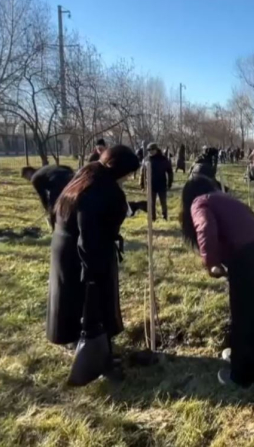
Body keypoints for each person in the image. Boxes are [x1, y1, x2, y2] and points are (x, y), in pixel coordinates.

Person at [48, 145, 140, 386]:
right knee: (92, 303)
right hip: (84, 251)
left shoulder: (87, 174)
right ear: (119, 169)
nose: (128, 178)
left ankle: (98, 351)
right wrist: (91, 271)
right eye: (128, 173)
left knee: (81, 302)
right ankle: (95, 358)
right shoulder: (100, 189)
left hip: (66, 246)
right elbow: (89, 235)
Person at [180, 176, 254, 387]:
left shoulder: (200, 202)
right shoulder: (228, 199)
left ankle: (241, 376)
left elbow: (204, 227)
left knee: (243, 317)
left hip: (246, 258)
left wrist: (212, 262)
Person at [22, 164, 75, 230]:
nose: (28, 179)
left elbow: (43, 196)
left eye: (26, 177)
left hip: (59, 183)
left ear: (29, 172)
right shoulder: (45, 169)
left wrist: (48, 209)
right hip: (72, 178)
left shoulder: (35, 178)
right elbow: (66, 167)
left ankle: (56, 229)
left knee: (53, 208)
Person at [140, 143, 174, 221]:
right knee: (151, 203)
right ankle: (152, 218)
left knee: (163, 202)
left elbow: (170, 171)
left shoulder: (163, 159)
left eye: (152, 149)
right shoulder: (146, 160)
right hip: (150, 184)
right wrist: (142, 185)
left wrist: (170, 183)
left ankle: (164, 216)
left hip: (161, 184)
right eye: (149, 150)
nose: (151, 151)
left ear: (156, 149)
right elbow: (142, 173)